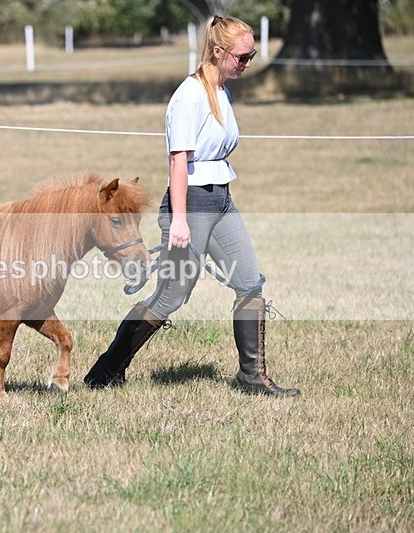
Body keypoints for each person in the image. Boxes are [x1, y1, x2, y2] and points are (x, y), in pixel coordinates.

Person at [84, 15, 299, 397]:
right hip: (192, 204)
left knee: (249, 282)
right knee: (170, 296)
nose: (247, 63)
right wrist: (179, 221)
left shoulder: (222, 91)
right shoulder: (189, 96)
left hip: (221, 199)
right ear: (217, 52)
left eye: (251, 56)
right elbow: (178, 162)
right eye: (242, 56)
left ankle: (252, 377)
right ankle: (106, 371)